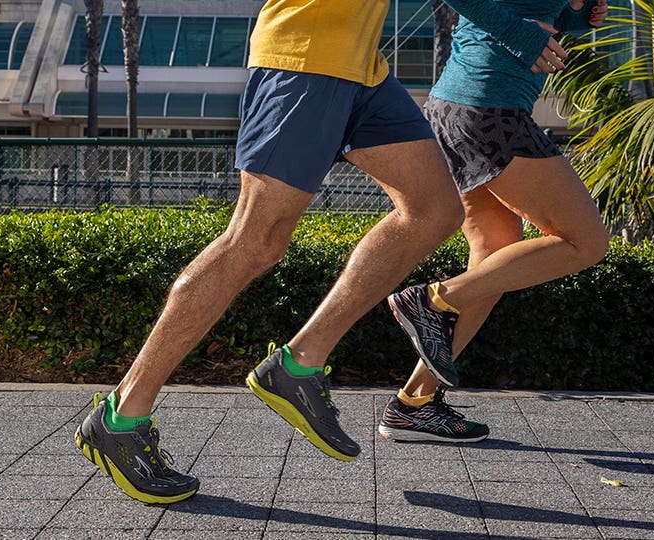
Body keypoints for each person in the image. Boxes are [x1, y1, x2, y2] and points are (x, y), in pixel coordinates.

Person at [75, 0, 468, 504]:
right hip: (305, 57)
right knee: (255, 241)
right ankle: (122, 416)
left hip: (362, 67)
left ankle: (299, 364)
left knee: (434, 210)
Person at [379, 0, 612, 443]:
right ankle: (432, 300)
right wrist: (525, 34)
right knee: (586, 241)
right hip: (490, 108)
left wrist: (574, 19)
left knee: (496, 260)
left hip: (460, 107)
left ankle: (414, 405)